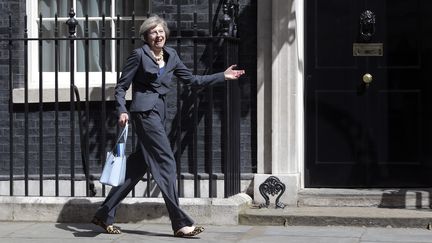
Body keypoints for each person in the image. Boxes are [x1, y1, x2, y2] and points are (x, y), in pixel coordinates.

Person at [91, 15, 245, 237]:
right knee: (167, 163)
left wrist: (223, 76)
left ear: (165, 35)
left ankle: (104, 214)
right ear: (146, 36)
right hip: (144, 115)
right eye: (153, 32)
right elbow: (121, 87)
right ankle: (180, 223)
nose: (158, 35)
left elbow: (192, 81)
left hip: (159, 115)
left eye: (161, 31)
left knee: (137, 167)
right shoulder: (138, 55)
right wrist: (122, 109)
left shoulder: (171, 56)